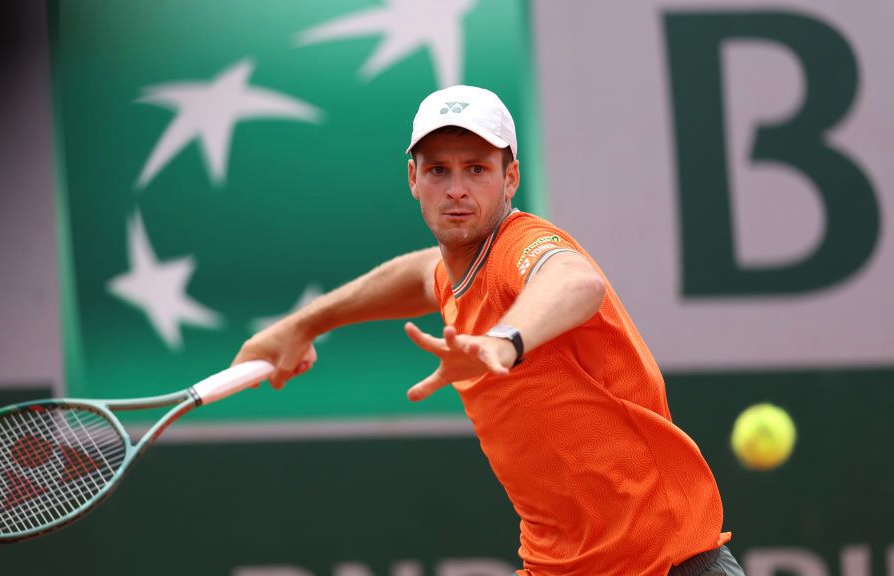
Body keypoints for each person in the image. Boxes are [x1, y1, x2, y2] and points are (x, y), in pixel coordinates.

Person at [232, 85, 745, 576]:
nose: (456, 190)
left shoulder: (520, 247)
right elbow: (417, 276)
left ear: (511, 177)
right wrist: (303, 325)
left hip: (666, 565)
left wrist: (505, 339)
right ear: (413, 178)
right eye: (438, 170)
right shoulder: (454, 271)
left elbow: (575, 280)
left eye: (477, 169)